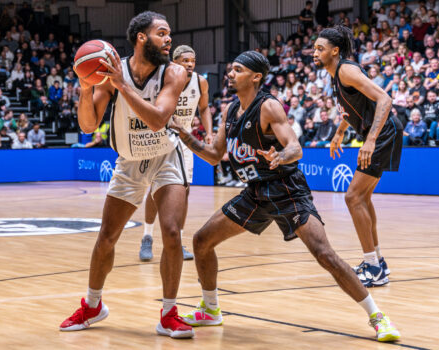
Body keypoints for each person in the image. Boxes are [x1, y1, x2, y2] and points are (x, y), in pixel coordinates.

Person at [171, 50, 400, 342]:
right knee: (202, 240)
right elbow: (215, 156)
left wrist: (281, 155)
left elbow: (295, 147)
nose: (230, 74)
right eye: (231, 69)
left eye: (237, 70)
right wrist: (183, 134)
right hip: (254, 193)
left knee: (325, 254)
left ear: (255, 77)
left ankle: (377, 317)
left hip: (286, 189)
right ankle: (211, 309)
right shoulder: (229, 111)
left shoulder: (268, 106)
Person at [59, 11, 194, 339]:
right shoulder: (109, 74)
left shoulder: (174, 73)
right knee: (106, 237)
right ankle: (92, 305)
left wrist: (121, 84)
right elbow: (89, 126)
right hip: (130, 162)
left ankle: (169, 313)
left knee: (172, 232)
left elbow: (159, 119)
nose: (169, 39)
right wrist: (84, 86)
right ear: (141, 38)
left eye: (169, 34)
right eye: (162, 33)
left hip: (166, 157)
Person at [313, 25, 403, 287]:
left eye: (320, 48)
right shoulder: (335, 74)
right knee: (362, 197)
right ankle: (376, 262)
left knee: (353, 197)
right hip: (380, 132)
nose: (314, 52)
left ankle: (373, 267)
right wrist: (340, 132)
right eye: (315, 47)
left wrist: (371, 140)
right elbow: (350, 109)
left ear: (335, 50)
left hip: (383, 132)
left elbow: (385, 99)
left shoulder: (346, 70)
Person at [139, 45, 213, 262]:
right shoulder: (164, 78)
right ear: (175, 62)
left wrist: (209, 132)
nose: (190, 64)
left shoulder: (200, 82)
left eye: (193, 61)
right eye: (185, 60)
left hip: (185, 139)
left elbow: (205, 107)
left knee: (184, 191)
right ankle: (147, 237)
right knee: (155, 189)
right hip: (160, 137)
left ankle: (177, 241)